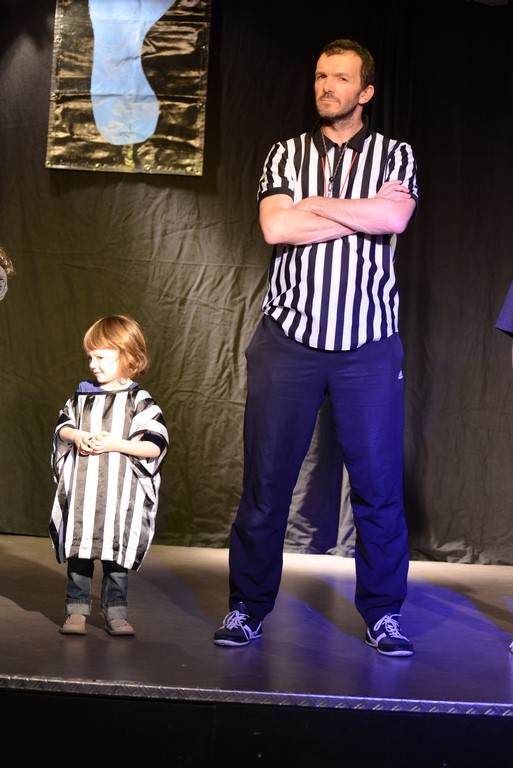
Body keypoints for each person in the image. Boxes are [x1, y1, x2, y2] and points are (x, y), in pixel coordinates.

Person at [213, 39, 418, 656]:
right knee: (267, 483)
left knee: (378, 487)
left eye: (341, 78)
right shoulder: (286, 152)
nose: (327, 86)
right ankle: (247, 607)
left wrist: (318, 208)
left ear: (366, 91)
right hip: (289, 341)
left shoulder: (396, 154)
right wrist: (362, 210)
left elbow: (394, 220)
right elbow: (276, 225)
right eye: (321, 76)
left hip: (368, 344)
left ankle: (384, 614)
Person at [49, 314, 169, 636]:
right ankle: (76, 611)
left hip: (119, 500)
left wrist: (117, 444)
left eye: (101, 357)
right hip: (83, 497)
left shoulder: (139, 401)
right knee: (79, 554)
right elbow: (62, 428)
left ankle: (116, 612)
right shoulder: (81, 396)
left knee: (117, 560)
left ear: (128, 356)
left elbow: (155, 445)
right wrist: (76, 436)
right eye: (90, 357)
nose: (93, 365)